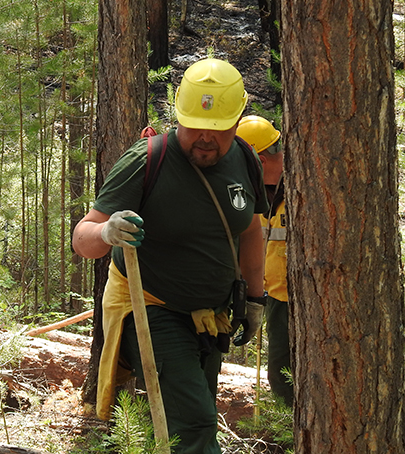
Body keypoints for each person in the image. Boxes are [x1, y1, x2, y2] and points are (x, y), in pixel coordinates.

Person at [72, 58, 269, 454]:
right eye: (194, 125)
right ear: (178, 115)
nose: (205, 138)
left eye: (217, 129)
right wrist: (107, 231)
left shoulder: (244, 158)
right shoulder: (148, 160)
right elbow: (82, 238)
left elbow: (250, 229)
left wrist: (254, 299)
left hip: (211, 319)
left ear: (236, 122)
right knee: (194, 424)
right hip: (152, 311)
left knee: (188, 420)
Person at [236, 115, 292, 406]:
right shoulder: (254, 195)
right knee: (280, 375)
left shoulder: (300, 190)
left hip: (300, 301)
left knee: (289, 375)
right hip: (275, 298)